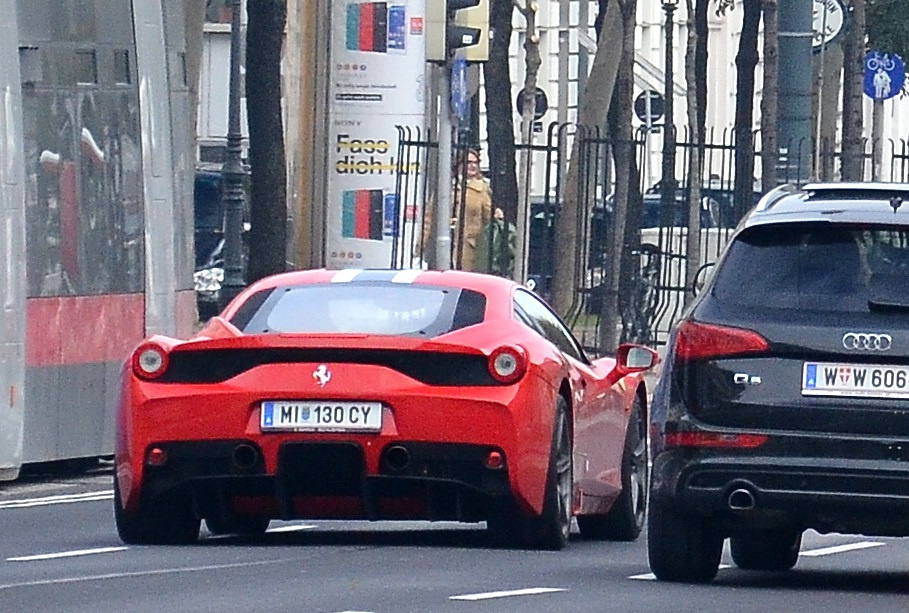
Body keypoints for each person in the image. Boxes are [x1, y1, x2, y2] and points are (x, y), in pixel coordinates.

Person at [419, 148, 502, 272]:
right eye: (468, 162)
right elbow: (429, 218)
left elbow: (488, 221)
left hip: (469, 249)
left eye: (476, 162)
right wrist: (420, 246)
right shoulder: (445, 187)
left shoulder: (482, 190)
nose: (473, 165)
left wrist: (497, 215)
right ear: (459, 164)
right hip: (443, 246)